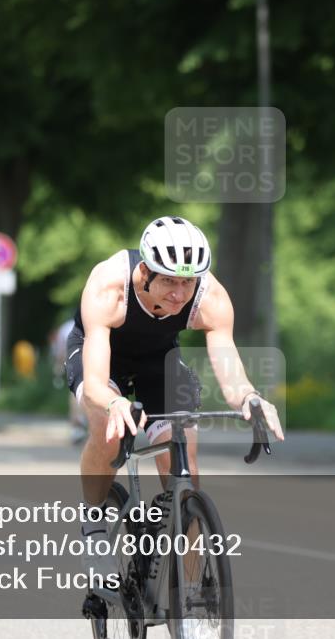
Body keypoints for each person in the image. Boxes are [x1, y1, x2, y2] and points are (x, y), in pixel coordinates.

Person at [65, 216, 284, 592]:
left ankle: (191, 589)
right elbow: (98, 384)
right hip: (100, 356)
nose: (179, 294)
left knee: (186, 462)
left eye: (187, 282)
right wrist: (114, 403)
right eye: (169, 280)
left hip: (159, 360)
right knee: (108, 429)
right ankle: (94, 522)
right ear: (146, 271)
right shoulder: (109, 287)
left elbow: (230, 372)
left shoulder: (210, 298)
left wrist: (250, 399)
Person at [50, 318, 87, 445]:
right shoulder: (91, 320)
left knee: (75, 393)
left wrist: (58, 367)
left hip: (75, 359)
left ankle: (78, 425)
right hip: (91, 359)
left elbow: (61, 351)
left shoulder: (65, 328)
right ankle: (84, 423)